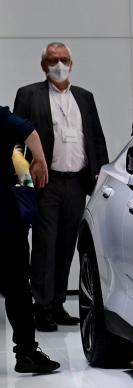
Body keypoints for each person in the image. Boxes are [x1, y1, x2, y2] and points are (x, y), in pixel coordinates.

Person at [13, 42, 109, 332]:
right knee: (44, 244)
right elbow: (16, 140)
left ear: (72, 63)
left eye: (63, 59)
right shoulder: (29, 94)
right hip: (46, 182)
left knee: (67, 243)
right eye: (53, 60)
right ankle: (40, 306)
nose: (59, 65)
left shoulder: (84, 97)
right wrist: (23, 180)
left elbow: (95, 138)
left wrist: (99, 176)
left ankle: (56, 301)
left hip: (77, 181)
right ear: (43, 65)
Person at [0, 106, 61, 373]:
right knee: (17, 288)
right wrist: (40, 159)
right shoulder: (1, 117)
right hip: (4, 220)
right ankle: (25, 352)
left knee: (17, 288)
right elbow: (28, 130)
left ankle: (26, 352)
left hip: (6, 218)